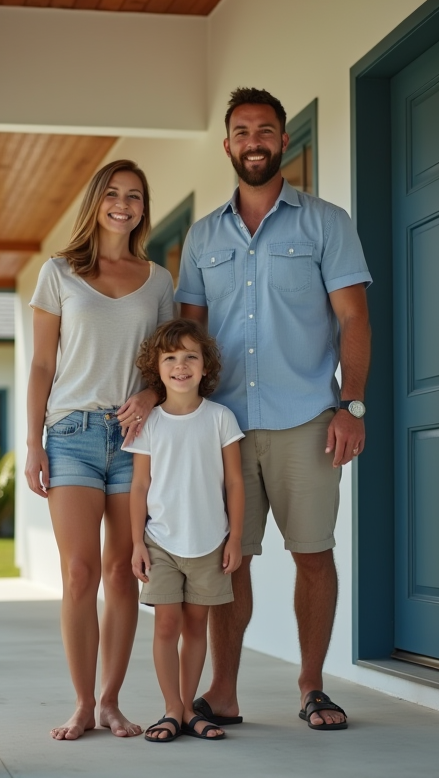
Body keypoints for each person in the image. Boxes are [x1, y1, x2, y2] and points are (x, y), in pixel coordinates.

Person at [176, 87, 372, 732]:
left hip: (307, 420)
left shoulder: (326, 222)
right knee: (233, 559)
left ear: (283, 141)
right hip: (226, 426)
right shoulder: (203, 237)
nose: (253, 141)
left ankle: (312, 685)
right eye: (241, 131)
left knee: (313, 553)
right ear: (227, 143)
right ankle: (224, 692)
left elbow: (353, 319)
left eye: (265, 130)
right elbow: (190, 338)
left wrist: (352, 405)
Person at [25, 159, 176, 741]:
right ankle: (82, 704)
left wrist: (149, 393)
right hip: (71, 437)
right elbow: (42, 363)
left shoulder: (159, 281)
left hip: (135, 437)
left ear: (143, 208)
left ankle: (111, 701)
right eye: (113, 194)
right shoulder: (58, 273)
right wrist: (33, 443)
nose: (123, 204)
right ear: (96, 202)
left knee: (121, 572)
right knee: (80, 572)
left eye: (134, 196)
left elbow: (167, 365)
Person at [123, 318, 245, 743]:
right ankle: (172, 709)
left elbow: (235, 483)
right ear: (155, 369)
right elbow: (139, 486)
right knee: (165, 626)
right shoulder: (149, 423)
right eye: (170, 358)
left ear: (206, 366)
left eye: (190, 357)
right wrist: (136, 542)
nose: (180, 366)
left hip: (210, 543)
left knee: (197, 627)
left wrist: (235, 539)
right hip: (162, 543)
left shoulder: (221, 418)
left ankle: (191, 709)